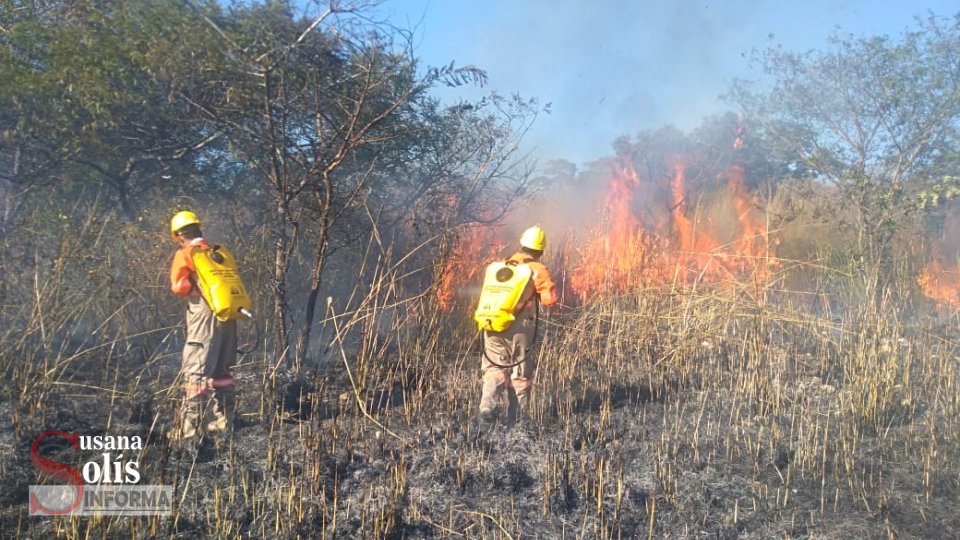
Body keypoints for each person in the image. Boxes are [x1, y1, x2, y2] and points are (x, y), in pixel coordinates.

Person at [167, 210, 237, 440]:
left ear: (179, 235)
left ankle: (189, 429)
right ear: (199, 229)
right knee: (221, 370)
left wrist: (193, 290)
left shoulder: (186, 253)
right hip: (227, 313)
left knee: (195, 367)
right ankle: (225, 421)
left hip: (203, 313)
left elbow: (178, 287)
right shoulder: (218, 252)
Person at [478, 225, 558, 428]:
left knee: (494, 368)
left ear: (522, 244)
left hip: (492, 324)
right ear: (540, 251)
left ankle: (486, 408)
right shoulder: (536, 269)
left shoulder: (503, 264)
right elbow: (549, 300)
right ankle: (518, 420)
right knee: (521, 374)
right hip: (520, 329)